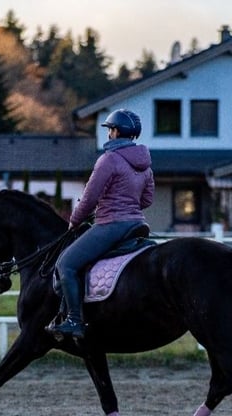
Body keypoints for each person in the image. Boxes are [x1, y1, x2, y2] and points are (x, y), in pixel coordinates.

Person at [47, 108, 155, 339]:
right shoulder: (145, 164)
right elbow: (147, 199)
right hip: (137, 224)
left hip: (111, 224)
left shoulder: (109, 160)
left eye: (110, 130)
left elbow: (89, 198)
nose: (109, 134)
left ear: (116, 132)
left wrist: (74, 221)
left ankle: (74, 320)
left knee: (66, 264)